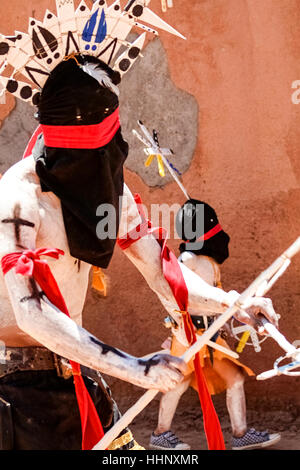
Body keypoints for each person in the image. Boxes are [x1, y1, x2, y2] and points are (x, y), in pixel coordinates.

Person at [150, 199, 281, 451]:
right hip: (188, 334)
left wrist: (237, 322)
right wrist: (175, 325)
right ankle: (160, 434)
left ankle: (241, 434)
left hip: (212, 335)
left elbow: (218, 299)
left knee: (235, 377)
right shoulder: (186, 260)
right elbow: (173, 293)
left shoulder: (210, 264)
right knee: (177, 381)